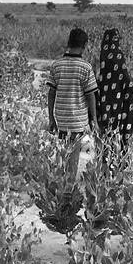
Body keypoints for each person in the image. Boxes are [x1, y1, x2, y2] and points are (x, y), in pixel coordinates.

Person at [46, 28, 99, 170]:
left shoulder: (56, 65)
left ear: (69, 42)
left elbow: (51, 94)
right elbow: (90, 96)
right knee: (73, 158)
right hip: (78, 121)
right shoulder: (86, 67)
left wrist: (51, 118)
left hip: (61, 118)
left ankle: (62, 184)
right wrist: (93, 120)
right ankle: (68, 189)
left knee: (63, 154)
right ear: (85, 46)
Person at [96, 28, 133, 151]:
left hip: (104, 105)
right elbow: (126, 80)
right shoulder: (119, 56)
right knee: (119, 137)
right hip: (120, 106)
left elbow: (97, 82)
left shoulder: (102, 58)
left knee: (105, 139)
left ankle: (103, 165)